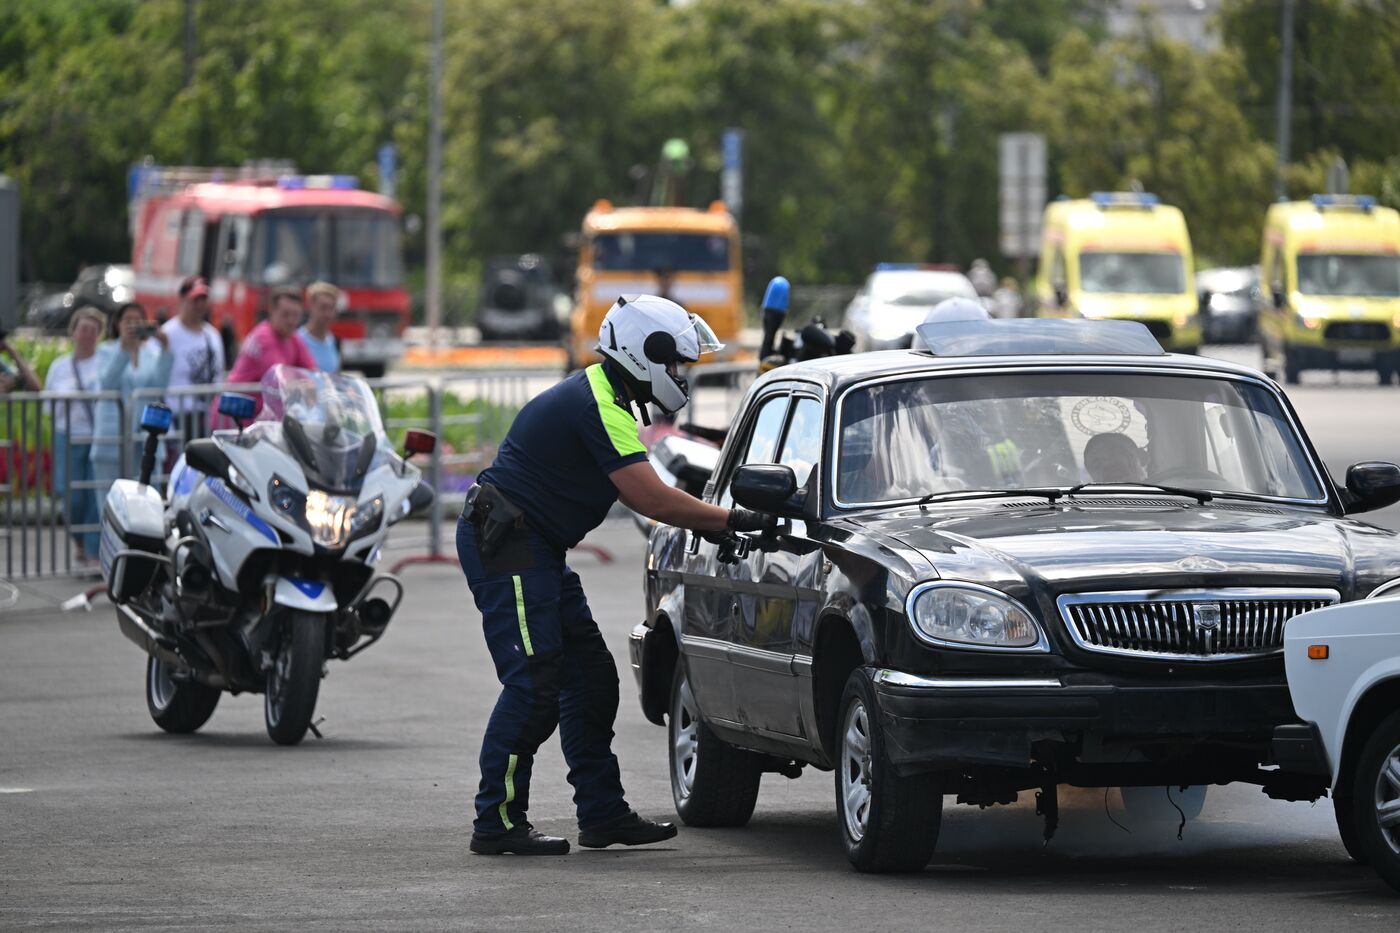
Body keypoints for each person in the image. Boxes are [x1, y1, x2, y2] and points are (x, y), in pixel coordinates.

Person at [458, 295, 770, 856]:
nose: (679, 375)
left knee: (592, 679)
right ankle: (497, 821)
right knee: (533, 682)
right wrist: (732, 519)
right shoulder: (597, 401)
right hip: (509, 542)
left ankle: (601, 814)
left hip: (537, 546)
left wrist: (715, 522)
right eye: (674, 362)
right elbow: (649, 497)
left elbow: (652, 492)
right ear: (644, 353)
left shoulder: (609, 398)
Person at [91, 303, 173, 508]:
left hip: (144, 439)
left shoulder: (151, 353)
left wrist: (165, 348)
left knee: (146, 502)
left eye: (138, 321)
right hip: (112, 437)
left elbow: (159, 387)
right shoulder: (105, 351)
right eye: (128, 320)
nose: (133, 325)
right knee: (108, 503)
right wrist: (124, 350)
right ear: (117, 324)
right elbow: (107, 382)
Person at [43, 307, 107, 560]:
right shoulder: (59, 367)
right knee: (72, 496)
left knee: (94, 495)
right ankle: (79, 540)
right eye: (84, 329)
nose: (88, 335)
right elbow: (48, 406)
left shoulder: (104, 363)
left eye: (93, 330)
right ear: (73, 332)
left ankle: (92, 550)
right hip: (67, 437)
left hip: (97, 437)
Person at [223, 288, 319, 413]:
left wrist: (317, 383)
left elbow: (312, 371)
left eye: (296, 315)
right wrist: (306, 386)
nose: (291, 321)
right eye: (285, 314)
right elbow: (279, 376)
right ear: (272, 311)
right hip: (235, 416)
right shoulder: (263, 337)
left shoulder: (292, 337)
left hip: (258, 417)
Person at [162, 275, 225, 450]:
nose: (200, 305)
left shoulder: (212, 335)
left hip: (207, 416)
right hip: (178, 415)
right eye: (195, 299)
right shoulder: (168, 333)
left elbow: (218, 374)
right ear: (182, 299)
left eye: (203, 300)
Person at [299, 281, 341, 373]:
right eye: (323, 308)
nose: (328, 314)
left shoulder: (335, 341)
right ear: (310, 306)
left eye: (331, 308)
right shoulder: (297, 339)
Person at [1083, 431, 1148, 483]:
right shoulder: (1082, 497)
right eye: (1097, 465)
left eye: (1113, 457)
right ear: (1092, 476)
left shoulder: (1156, 490)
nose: (1106, 465)